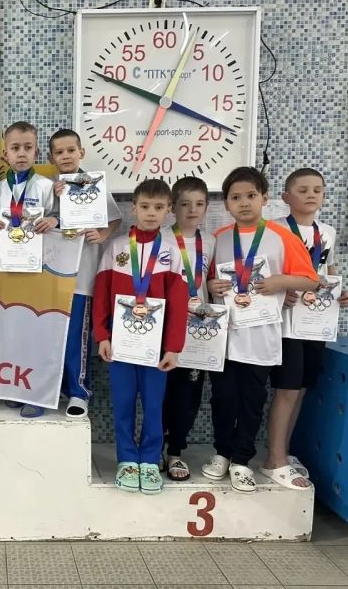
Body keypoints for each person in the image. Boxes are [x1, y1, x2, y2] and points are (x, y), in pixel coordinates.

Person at [205, 166, 318, 493]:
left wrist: (280, 281)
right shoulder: (219, 238)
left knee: (252, 401)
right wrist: (212, 285)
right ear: (226, 203)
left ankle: (242, 460)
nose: (244, 203)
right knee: (223, 398)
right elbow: (208, 281)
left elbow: (311, 280)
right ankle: (222, 453)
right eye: (236, 197)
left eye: (251, 196)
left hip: (262, 338)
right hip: (226, 338)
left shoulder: (282, 237)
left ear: (265, 198)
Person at [93, 179, 188, 495]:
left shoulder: (171, 252)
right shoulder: (116, 248)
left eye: (158, 207)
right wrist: (102, 335)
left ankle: (148, 459)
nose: (151, 213)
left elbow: (179, 304)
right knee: (122, 403)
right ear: (133, 208)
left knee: (153, 404)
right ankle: (126, 460)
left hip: (155, 347)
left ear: (168, 210)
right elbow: (102, 294)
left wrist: (173, 347)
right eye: (145, 206)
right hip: (120, 344)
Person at [262, 168, 348, 489]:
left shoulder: (326, 232)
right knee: (286, 389)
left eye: (317, 189)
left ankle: (283, 453)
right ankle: (274, 460)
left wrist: (341, 293)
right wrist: (282, 290)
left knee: (300, 388)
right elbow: (265, 273)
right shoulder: (274, 230)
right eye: (303, 190)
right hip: (286, 323)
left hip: (316, 321)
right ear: (286, 197)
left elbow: (328, 270)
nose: (311, 195)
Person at [49, 128, 122, 418]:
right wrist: (51, 200)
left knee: (76, 338)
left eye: (71, 150)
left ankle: (79, 392)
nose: (66, 156)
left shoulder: (94, 186)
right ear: (51, 158)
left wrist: (102, 235)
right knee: (51, 337)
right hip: (52, 278)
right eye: (59, 152)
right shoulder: (47, 189)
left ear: (81, 152)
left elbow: (115, 219)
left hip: (82, 278)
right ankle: (50, 390)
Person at [0, 121, 58, 418]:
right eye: (15, 148)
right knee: (12, 332)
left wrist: (55, 220)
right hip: (7, 272)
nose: (21, 153)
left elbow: (60, 222)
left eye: (28, 147)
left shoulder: (47, 187)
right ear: (5, 153)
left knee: (36, 334)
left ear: (36, 151)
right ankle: (17, 388)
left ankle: (37, 394)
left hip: (38, 272)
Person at [159, 177, 215, 481]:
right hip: (165, 329)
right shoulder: (160, 238)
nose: (192, 210)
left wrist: (213, 287)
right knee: (161, 391)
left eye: (199, 204)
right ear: (172, 207)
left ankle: (176, 451)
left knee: (189, 394)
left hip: (198, 330)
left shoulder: (212, 242)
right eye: (185, 204)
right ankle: (156, 446)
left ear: (206, 207)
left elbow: (212, 283)